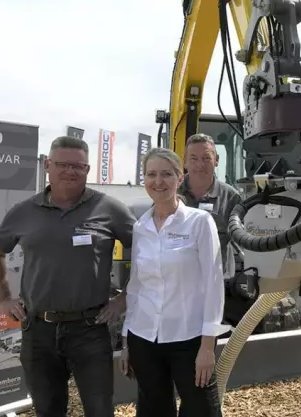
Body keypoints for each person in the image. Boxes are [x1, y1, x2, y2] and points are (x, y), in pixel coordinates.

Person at [0, 136, 136, 417]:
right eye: (62, 164)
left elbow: (148, 253)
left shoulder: (110, 209)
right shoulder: (24, 211)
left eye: (78, 166)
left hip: (90, 330)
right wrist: (3, 298)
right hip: (38, 331)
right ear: (47, 165)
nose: (70, 171)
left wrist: (124, 298)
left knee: (100, 410)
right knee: (48, 410)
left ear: (88, 170)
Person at [119, 147, 229, 417]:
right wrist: (126, 341)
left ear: (180, 178)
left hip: (188, 338)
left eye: (167, 174)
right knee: (153, 409)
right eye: (151, 174)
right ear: (143, 179)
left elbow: (214, 285)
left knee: (201, 409)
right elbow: (136, 287)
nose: (159, 181)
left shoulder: (199, 222)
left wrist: (207, 346)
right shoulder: (141, 226)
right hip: (144, 337)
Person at [178, 133, 242, 271]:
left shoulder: (231, 198)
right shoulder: (171, 193)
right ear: (185, 161)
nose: (200, 165)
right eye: (193, 158)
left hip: (217, 281)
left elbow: (243, 240)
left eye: (206, 158)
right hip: (177, 281)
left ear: (217, 160)